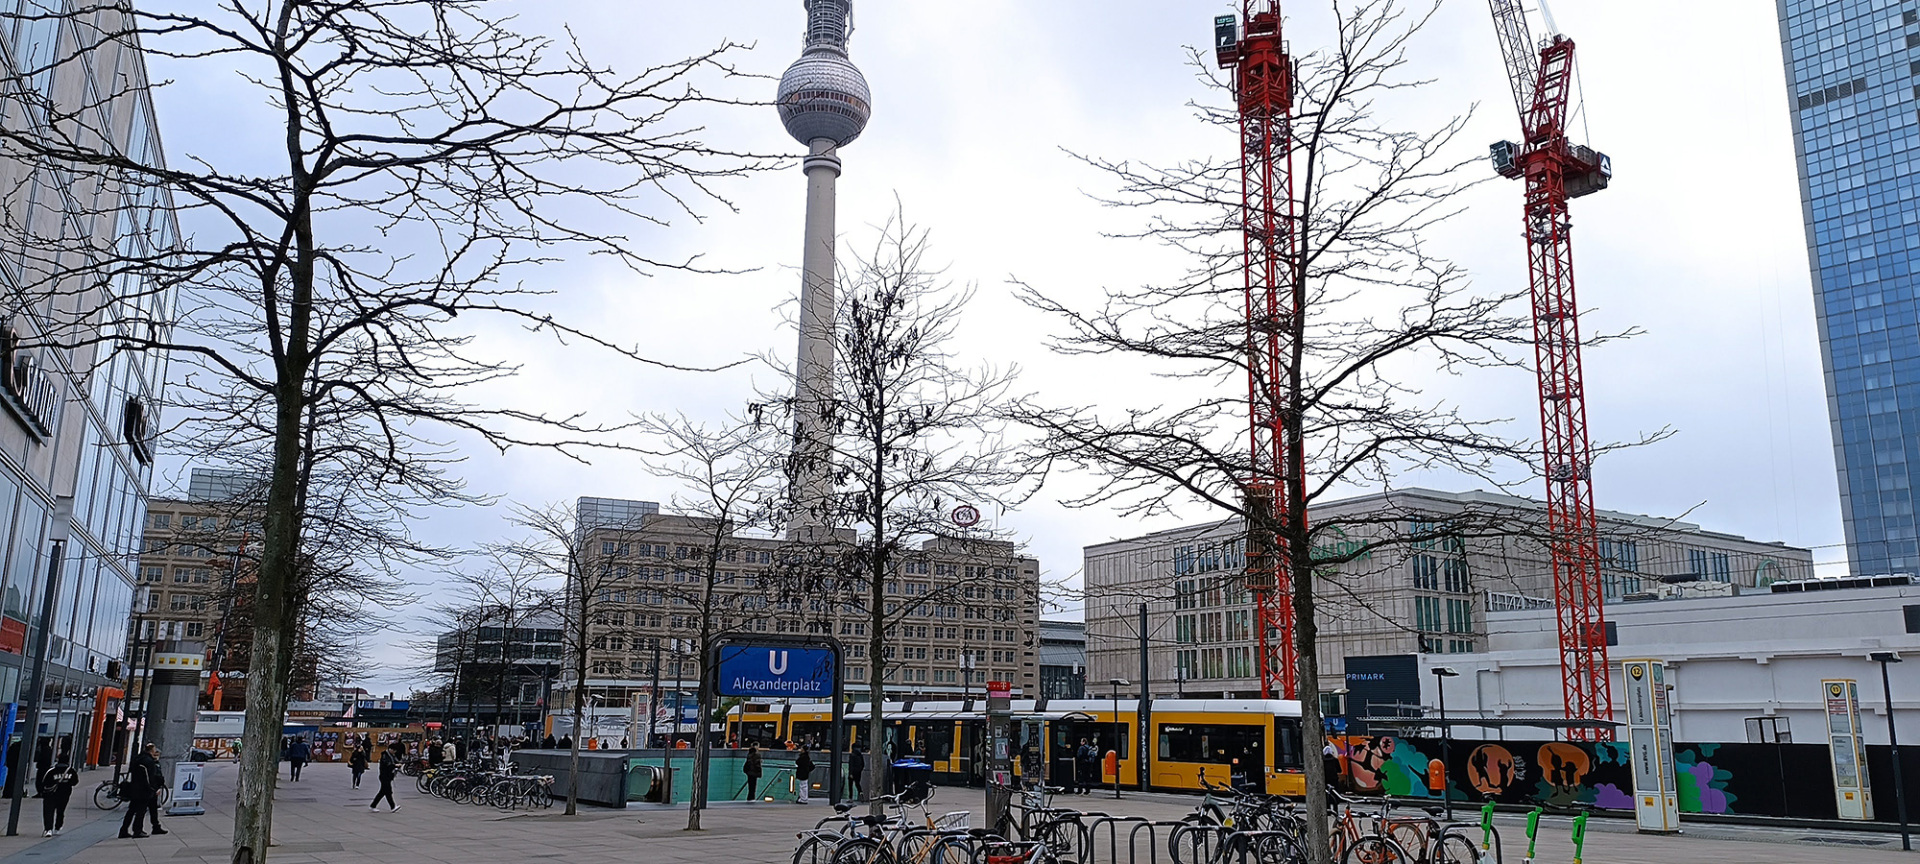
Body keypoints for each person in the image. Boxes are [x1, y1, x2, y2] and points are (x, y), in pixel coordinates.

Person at [120, 743, 166, 838]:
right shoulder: (148, 761)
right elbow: (150, 777)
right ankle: (138, 830)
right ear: (151, 751)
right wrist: (154, 788)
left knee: (132, 810)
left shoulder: (138, 759)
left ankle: (124, 830)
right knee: (141, 811)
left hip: (135, 788)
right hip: (145, 790)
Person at [38, 755, 77, 837]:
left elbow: (44, 782)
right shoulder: (71, 771)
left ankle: (48, 829)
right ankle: (58, 826)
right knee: (60, 811)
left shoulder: (52, 771)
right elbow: (75, 782)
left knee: (49, 811)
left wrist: (42, 791)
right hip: (65, 794)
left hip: (51, 794)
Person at [370, 744, 400, 812]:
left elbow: (395, 761)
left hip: (388, 776)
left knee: (383, 792)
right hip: (384, 776)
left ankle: (373, 805)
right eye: (394, 750)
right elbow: (387, 765)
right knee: (388, 791)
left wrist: (397, 764)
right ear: (390, 749)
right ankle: (392, 807)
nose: (394, 752)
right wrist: (394, 765)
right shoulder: (385, 755)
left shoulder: (391, 755)